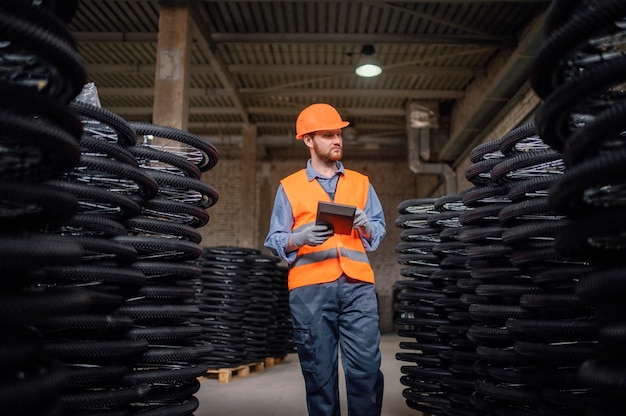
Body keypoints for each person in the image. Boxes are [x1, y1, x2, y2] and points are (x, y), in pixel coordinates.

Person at [264, 103, 386, 416]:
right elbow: (275, 240)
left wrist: (366, 224)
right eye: (328, 134)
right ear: (308, 140)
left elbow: (378, 232)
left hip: (357, 288)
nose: (337, 140)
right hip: (310, 293)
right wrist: (298, 238)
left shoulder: (361, 183)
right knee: (320, 376)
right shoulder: (289, 188)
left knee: (367, 372)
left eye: (339, 134)